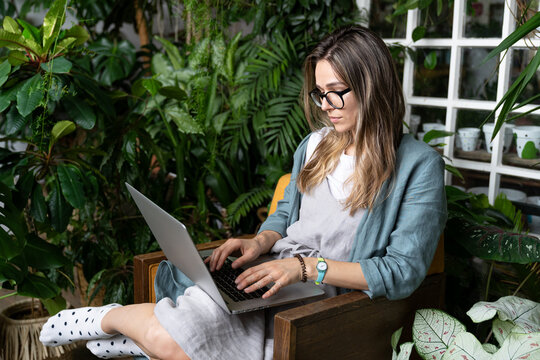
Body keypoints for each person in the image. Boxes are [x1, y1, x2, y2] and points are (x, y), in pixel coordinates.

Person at [40, 25, 447, 360]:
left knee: (170, 343)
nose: (327, 105)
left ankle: (111, 322)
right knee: (181, 334)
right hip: (275, 278)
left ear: (372, 86)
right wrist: (261, 241)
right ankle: (123, 327)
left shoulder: (417, 165)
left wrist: (307, 269)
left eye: (337, 91)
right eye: (320, 94)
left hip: (327, 298)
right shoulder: (315, 145)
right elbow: (286, 214)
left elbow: (402, 272)